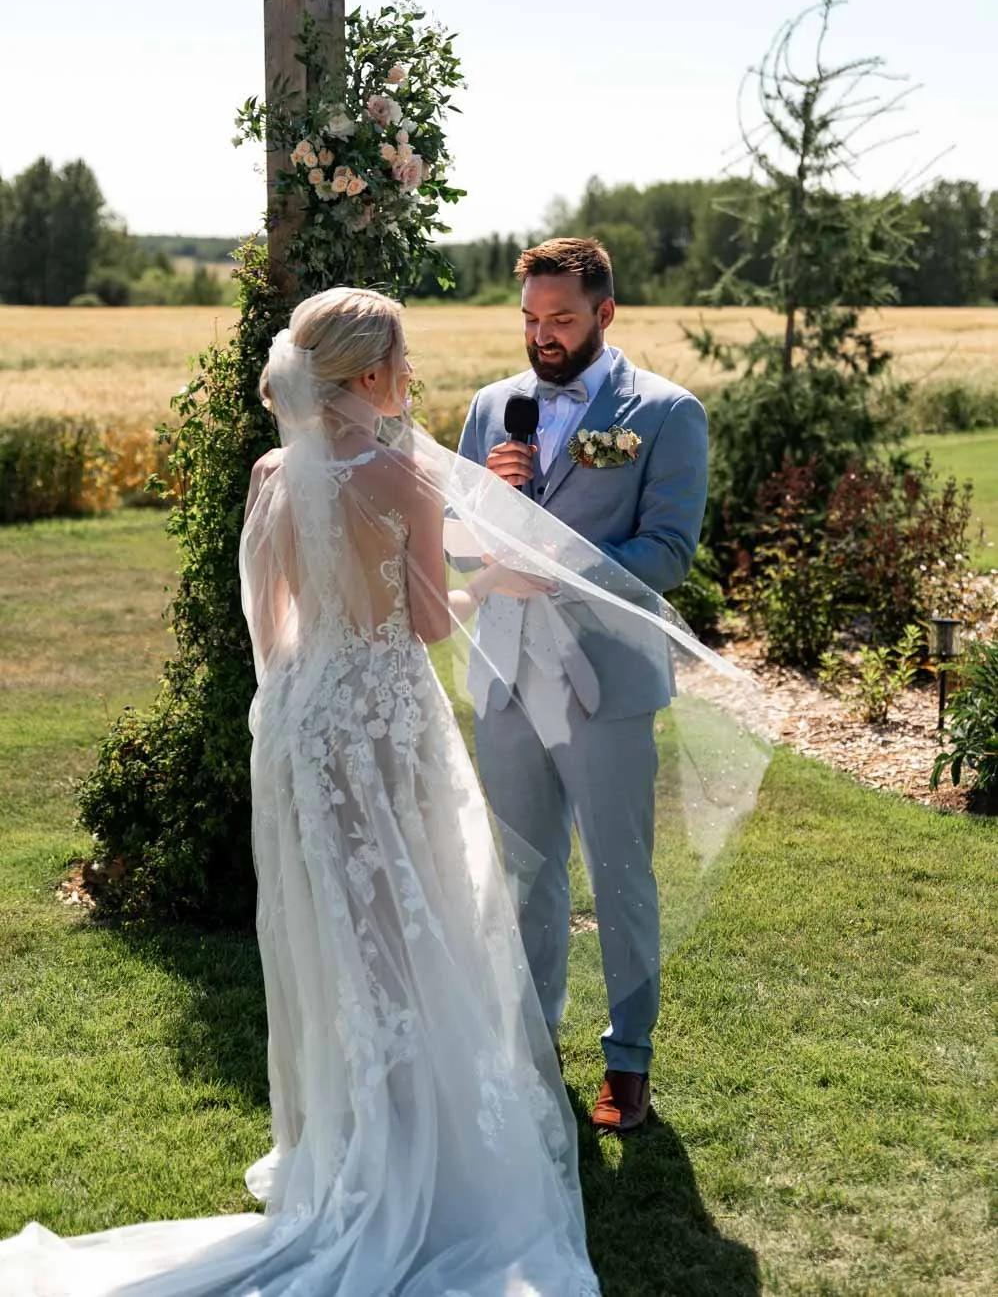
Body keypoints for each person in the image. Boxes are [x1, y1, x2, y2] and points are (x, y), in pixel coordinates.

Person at [0, 288, 603, 1296]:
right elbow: (426, 625)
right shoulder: (402, 471)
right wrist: (494, 581)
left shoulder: (274, 471)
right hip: (380, 721)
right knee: (416, 929)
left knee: (339, 935)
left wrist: (312, 699)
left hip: (300, 720)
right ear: (367, 375)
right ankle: (415, 1151)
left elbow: (275, 621)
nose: (410, 377)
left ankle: (349, 1135)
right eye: (401, 362)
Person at [458, 237, 709, 1134]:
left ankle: (628, 1061)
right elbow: (456, 533)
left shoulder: (669, 414)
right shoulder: (494, 407)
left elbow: (669, 552)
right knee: (525, 873)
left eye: (561, 318)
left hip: (606, 678)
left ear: (606, 312)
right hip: (507, 673)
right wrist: (487, 505)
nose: (543, 335)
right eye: (530, 318)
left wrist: (556, 570)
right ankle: (532, 1049)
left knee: (619, 874)